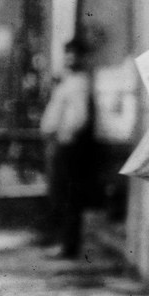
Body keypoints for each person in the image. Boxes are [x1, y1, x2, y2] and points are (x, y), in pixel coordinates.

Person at [40, 37, 95, 259]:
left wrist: (65, 136)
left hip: (69, 146)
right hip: (59, 143)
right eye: (68, 54)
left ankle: (69, 246)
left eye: (74, 54)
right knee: (60, 195)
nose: (70, 58)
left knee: (68, 196)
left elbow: (79, 117)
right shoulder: (68, 80)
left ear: (81, 58)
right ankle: (63, 242)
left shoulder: (80, 82)